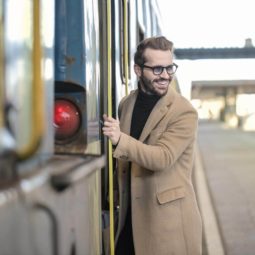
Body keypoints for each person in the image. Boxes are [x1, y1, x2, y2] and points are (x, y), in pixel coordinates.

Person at [102, 36, 202, 255]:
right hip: (129, 219)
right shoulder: (126, 103)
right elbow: (124, 159)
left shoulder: (184, 112)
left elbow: (162, 158)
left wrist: (120, 139)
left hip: (167, 225)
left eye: (169, 68)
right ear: (138, 70)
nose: (165, 75)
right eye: (157, 69)